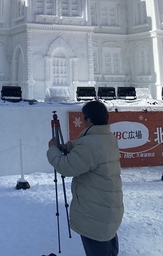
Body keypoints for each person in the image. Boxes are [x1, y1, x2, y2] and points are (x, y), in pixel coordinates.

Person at [47, 101, 124, 256]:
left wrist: (52, 150)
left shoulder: (90, 144)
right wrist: (69, 147)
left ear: (89, 120)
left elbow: (66, 167)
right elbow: (88, 150)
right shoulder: (107, 138)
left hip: (94, 216)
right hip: (108, 211)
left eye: (83, 119)